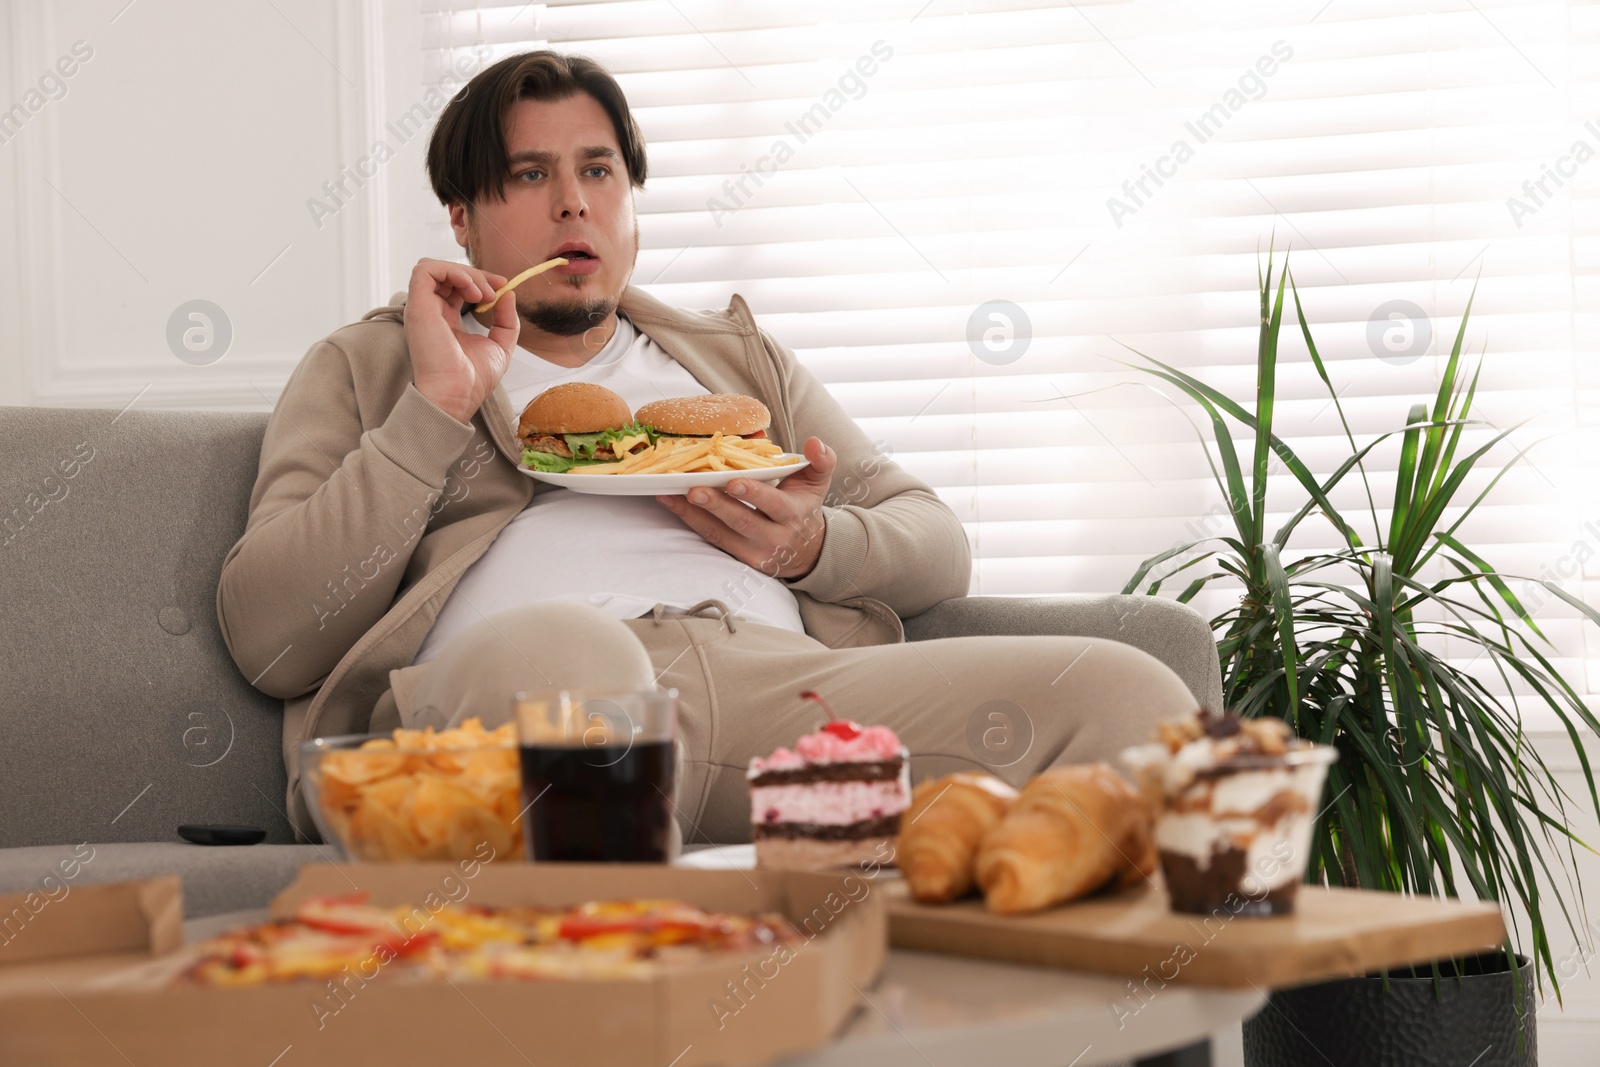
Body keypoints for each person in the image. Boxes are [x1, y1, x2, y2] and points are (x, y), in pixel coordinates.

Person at [216, 50, 1198, 844]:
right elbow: (272, 637)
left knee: (1127, 693)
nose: (573, 203)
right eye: (529, 174)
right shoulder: (373, 364)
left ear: (632, 203)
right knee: (578, 661)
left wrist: (806, 546)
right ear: (462, 218)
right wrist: (434, 408)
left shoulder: (733, 361)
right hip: (526, 692)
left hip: (779, 690)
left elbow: (934, 540)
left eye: (597, 170)